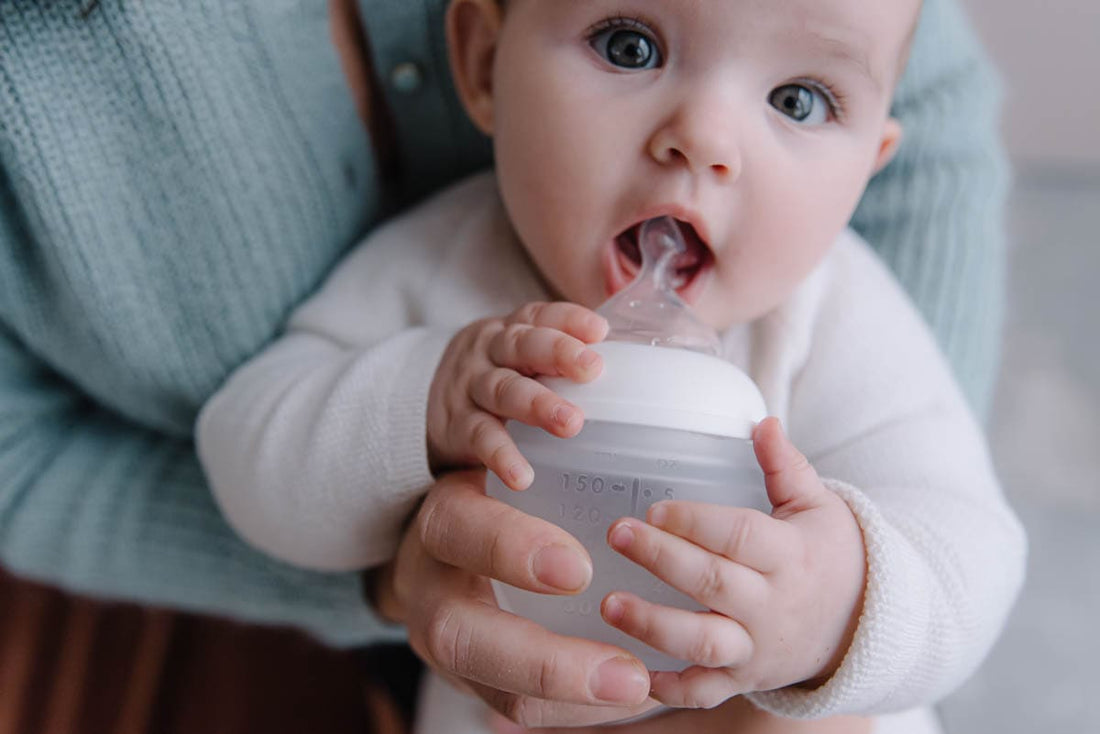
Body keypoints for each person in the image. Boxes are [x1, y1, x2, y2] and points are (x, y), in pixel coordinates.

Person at [0, 0, 1009, 730]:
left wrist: (842, 604)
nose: (703, 139)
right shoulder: (439, 276)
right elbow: (249, 456)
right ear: (482, 61)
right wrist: (420, 405)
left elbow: (969, 537)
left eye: (797, 98)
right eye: (629, 43)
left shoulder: (834, 310)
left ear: (866, 166)